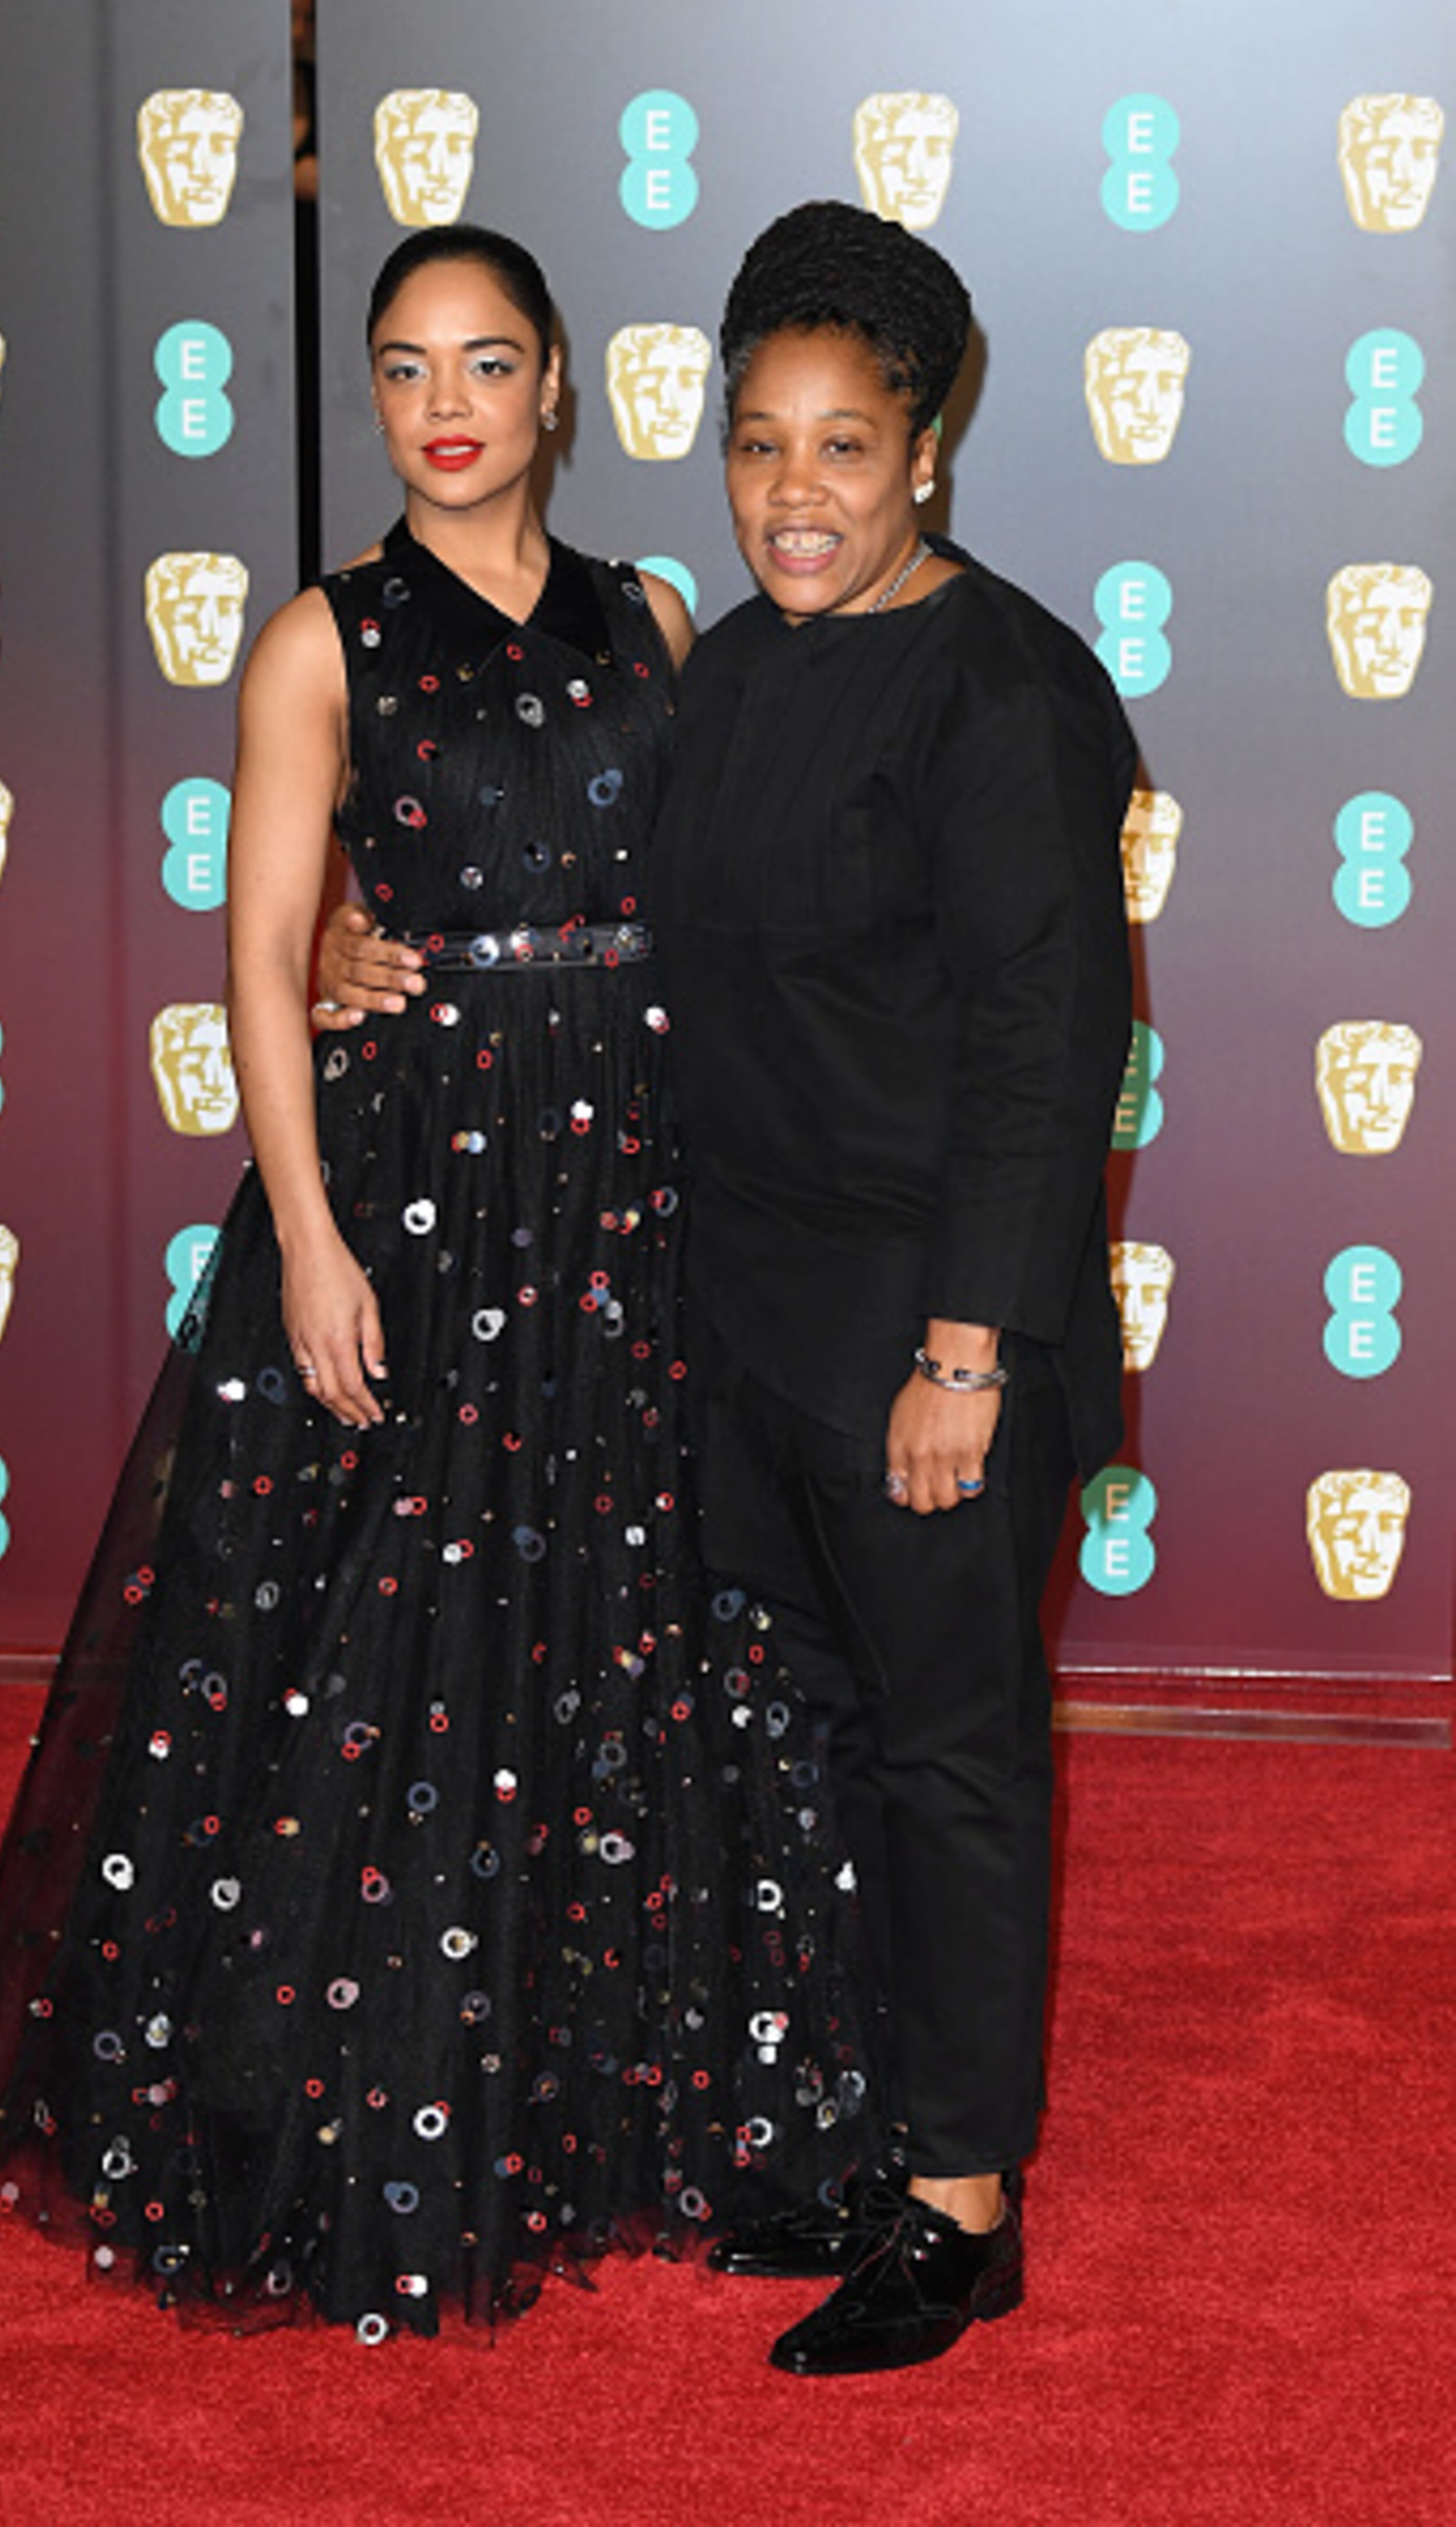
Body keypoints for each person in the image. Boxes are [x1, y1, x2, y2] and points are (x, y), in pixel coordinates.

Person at [0, 225, 869, 2341]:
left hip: (639, 1181)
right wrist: (314, 1234)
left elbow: (712, 896)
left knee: (626, 1619)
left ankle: (625, 2105)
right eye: (406, 366)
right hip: (419, 1194)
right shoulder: (315, 643)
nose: (448, 402)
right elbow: (263, 952)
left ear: (556, 394)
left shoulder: (659, 617)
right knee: (401, 1646)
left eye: (490, 363)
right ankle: (359, 2106)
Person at [319, 201, 1136, 2376]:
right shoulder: (744, 659)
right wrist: (343, 938)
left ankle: (965, 2207)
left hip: (929, 1334)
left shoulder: (1010, 683)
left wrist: (971, 1347)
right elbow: (579, 894)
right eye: (760, 442)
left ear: (927, 456)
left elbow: (1047, 1038)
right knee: (838, 1747)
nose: (795, 490)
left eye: (844, 449)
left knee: (953, 1755)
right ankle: (886, 2140)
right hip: (748, 1312)